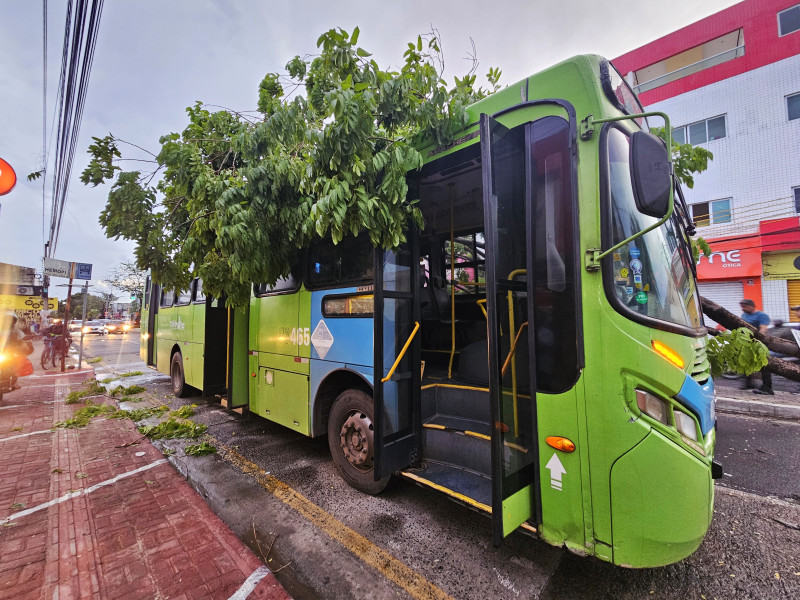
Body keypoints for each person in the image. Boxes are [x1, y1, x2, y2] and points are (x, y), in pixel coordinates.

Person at [739, 299, 773, 395]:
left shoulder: (761, 315)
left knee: (764, 365)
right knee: (746, 362)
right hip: (747, 342)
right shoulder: (744, 315)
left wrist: (758, 340)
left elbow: (763, 329)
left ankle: (767, 387)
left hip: (760, 343)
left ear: (752, 306)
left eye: (745, 306)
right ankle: (749, 384)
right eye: (742, 307)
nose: (743, 309)